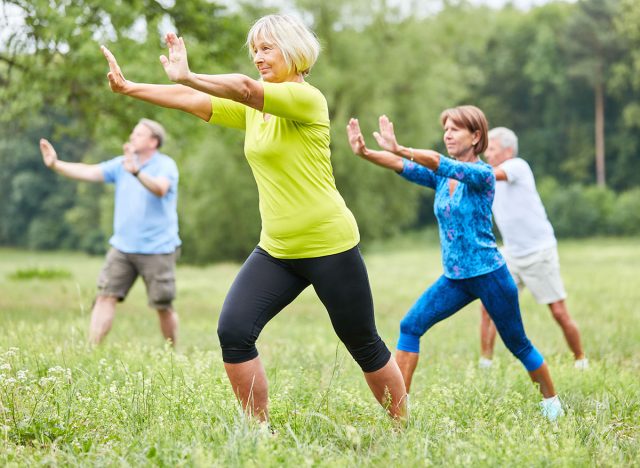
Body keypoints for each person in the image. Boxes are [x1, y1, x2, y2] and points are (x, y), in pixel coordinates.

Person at [100, 14, 406, 421]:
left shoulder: (307, 99)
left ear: (295, 51)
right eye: (255, 51)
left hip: (328, 243)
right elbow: (194, 101)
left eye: (267, 48)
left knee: (362, 341)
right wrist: (129, 88)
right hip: (277, 248)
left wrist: (189, 74)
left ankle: (402, 429)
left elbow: (243, 88)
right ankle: (257, 431)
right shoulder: (252, 111)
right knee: (234, 331)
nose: (258, 58)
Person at [347, 106, 564, 420]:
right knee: (410, 326)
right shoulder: (440, 178)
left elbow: (436, 161)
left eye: (455, 129)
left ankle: (552, 404)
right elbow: (401, 165)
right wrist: (365, 152)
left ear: (476, 136)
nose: (447, 133)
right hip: (455, 278)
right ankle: (399, 413)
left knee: (518, 344)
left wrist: (402, 147)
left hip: (490, 274)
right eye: (445, 128)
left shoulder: (482, 175)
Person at [39, 119, 181, 346]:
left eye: (139, 134)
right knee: (105, 295)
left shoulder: (165, 165)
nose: (132, 137)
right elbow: (89, 172)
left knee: (162, 306)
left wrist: (137, 172)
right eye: (133, 133)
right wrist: (56, 164)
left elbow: (160, 189)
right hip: (122, 247)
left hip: (158, 248)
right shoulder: (121, 165)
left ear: (153, 141)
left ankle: (172, 352)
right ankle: (92, 348)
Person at [478, 127, 587, 370]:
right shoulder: (488, 176)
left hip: (539, 251)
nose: (487, 154)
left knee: (558, 312)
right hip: (511, 253)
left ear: (507, 150)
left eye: (492, 149)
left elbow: (489, 175)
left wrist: (463, 169)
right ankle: (485, 363)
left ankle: (580, 359)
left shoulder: (517, 166)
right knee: (488, 306)